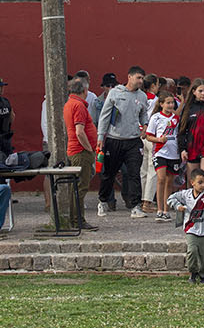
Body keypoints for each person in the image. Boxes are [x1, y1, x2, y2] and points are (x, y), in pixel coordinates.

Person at [97, 66, 150, 218]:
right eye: (138, 78)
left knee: (134, 173)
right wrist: (100, 137)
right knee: (109, 173)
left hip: (133, 141)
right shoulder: (115, 93)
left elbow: (143, 114)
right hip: (115, 139)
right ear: (129, 77)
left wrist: (145, 125)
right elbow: (105, 115)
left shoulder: (142, 96)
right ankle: (103, 201)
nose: (140, 81)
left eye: (142, 78)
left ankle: (135, 206)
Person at [168, 169, 204, 283]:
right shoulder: (185, 194)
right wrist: (178, 206)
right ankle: (193, 272)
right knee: (192, 251)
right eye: (200, 182)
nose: (203, 185)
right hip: (191, 229)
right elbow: (171, 198)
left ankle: (203, 275)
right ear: (192, 182)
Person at [62, 75, 99, 231]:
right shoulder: (78, 105)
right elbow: (79, 131)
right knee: (81, 187)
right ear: (85, 90)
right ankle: (78, 220)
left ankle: (75, 218)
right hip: (81, 151)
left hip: (75, 150)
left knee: (76, 187)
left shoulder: (70, 103)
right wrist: (89, 148)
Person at [146, 94, 182, 221]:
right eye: (168, 103)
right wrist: (159, 140)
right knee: (161, 178)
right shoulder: (156, 117)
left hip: (174, 153)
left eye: (172, 103)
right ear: (161, 104)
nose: (170, 105)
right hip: (160, 152)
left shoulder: (176, 118)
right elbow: (148, 136)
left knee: (169, 181)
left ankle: (166, 210)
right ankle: (159, 209)